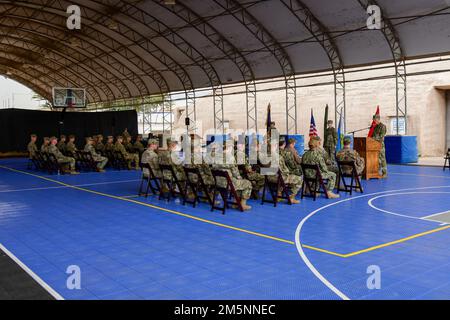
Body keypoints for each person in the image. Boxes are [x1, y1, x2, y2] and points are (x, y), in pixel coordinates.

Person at [213, 143, 253, 211]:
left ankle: (235, 202)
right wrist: (240, 178)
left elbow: (213, 168)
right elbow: (236, 173)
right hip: (228, 183)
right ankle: (242, 205)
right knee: (247, 183)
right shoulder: (230, 157)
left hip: (218, 183)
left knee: (239, 183)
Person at [269, 139, 302, 204]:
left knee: (282, 176)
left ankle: (279, 195)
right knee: (299, 179)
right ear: (275, 146)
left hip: (269, 178)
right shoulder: (278, 157)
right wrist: (288, 173)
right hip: (278, 178)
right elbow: (284, 170)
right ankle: (292, 198)